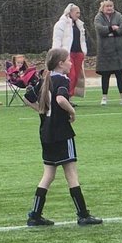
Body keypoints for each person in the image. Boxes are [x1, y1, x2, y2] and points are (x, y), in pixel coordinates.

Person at [24, 48, 102, 227]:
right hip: (61, 133)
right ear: (60, 63)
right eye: (68, 60)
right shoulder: (62, 80)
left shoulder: (46, 79)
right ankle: (83, 214)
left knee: (48, 175)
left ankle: (35, 215)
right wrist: (72, 111)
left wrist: (42, 111)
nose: (71, 63)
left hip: (46, 133)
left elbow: (28, 97)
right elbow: (60, 99)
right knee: (71, 174)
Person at [93, 0, 122, 106]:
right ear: (103, 7)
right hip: (105, 51)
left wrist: (114, 33)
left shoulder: (118, 15)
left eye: (111, 6)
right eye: (107, 6)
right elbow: (100, 29)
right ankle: (104, 97)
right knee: (105, 75)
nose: (109, 8)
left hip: (118, 50)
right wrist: (111, 28)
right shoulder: (98, 17)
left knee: (119, 74)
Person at [50, 4, 88, 99]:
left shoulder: (79, 25)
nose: (78, 15)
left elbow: (82, 39)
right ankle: (65, 96)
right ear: (70, 12)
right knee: (71, 75)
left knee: (76, 76)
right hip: (68, 53)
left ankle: (69, 96)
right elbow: (57, 39)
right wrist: (57, 53)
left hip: (78, 53)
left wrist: (84, 51)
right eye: (77, 12)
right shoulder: (61, 23)